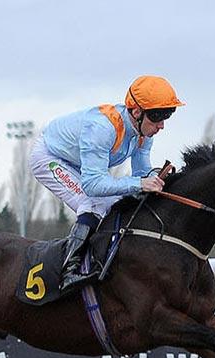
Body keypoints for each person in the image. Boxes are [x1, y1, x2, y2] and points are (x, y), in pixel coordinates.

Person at [31, 75, 183, 289]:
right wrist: (141, 183)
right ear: (137, 112)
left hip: (78, 162)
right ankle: (68, 271)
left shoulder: (144, 133)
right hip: (50, 157)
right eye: (158, 117)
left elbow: (141, 173)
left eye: (167, 116)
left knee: (116, 201)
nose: (162, 125)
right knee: (92, 203)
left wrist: (157, 176)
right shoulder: (103, 128)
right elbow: (93, 185)